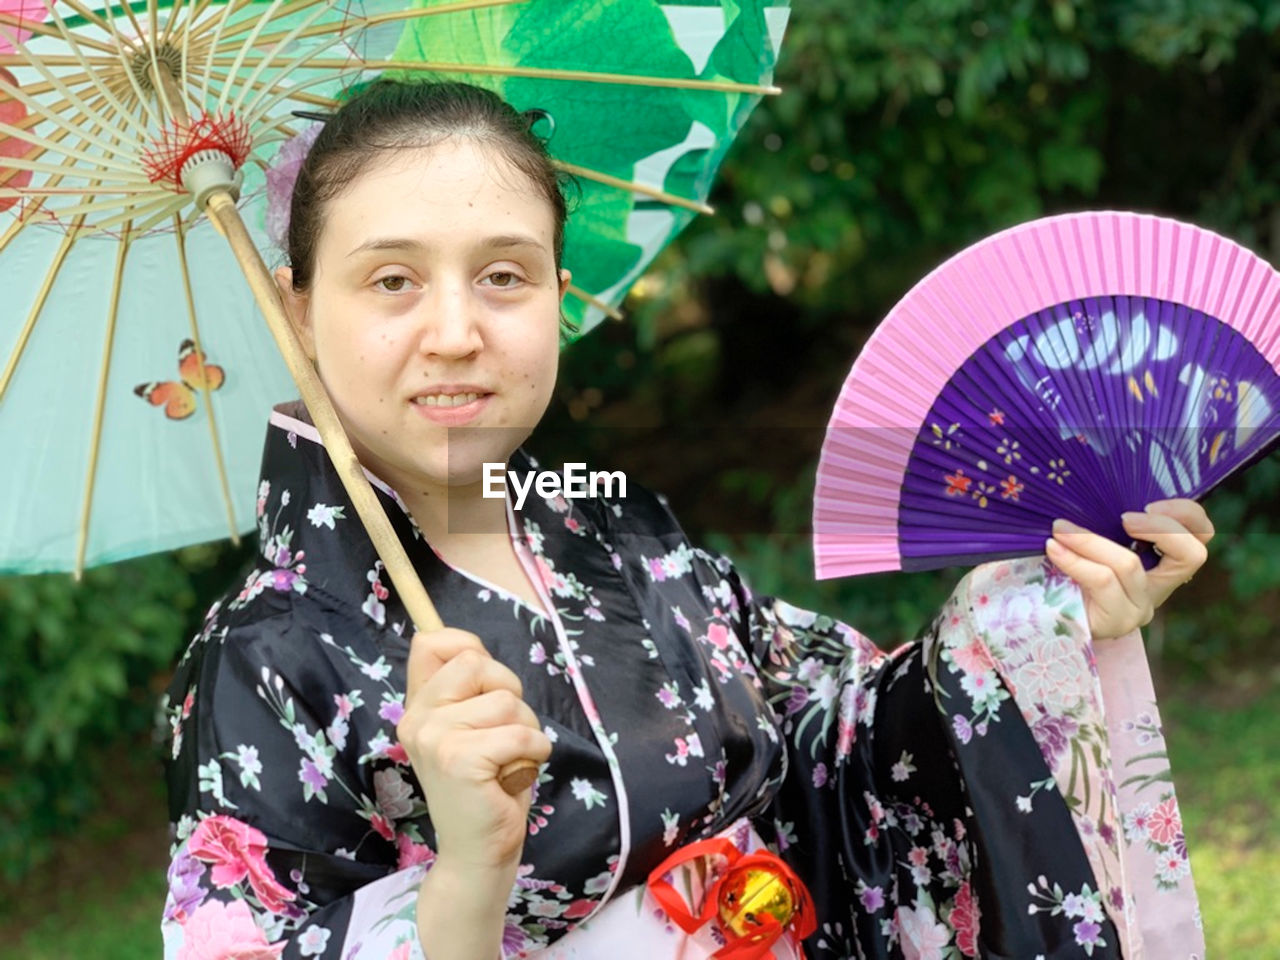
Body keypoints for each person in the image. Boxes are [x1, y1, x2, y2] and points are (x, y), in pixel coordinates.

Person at [160, 79, 1215, 960]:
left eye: (502, 276)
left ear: (558, 297)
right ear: (297, 311)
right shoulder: (259, 659)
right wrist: (468, 879)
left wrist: (1045, 612)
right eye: (391, 280)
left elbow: (837, 744)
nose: (454, 331)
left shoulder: (611, 528)